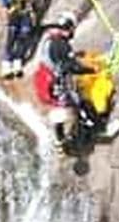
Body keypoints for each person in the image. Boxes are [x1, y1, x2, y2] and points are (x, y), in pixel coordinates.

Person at [33, 10, 98, 150]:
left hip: (45, 82)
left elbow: (56, 57)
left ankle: (59, 140)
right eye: (73, 29)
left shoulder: (49, 39)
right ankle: (92, 129)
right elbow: (71, 66)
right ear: (69, 28)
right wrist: (91, 70)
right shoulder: (61, 45)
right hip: (56, 84)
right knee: (78, 103)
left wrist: (74, 54)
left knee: (59, 109)